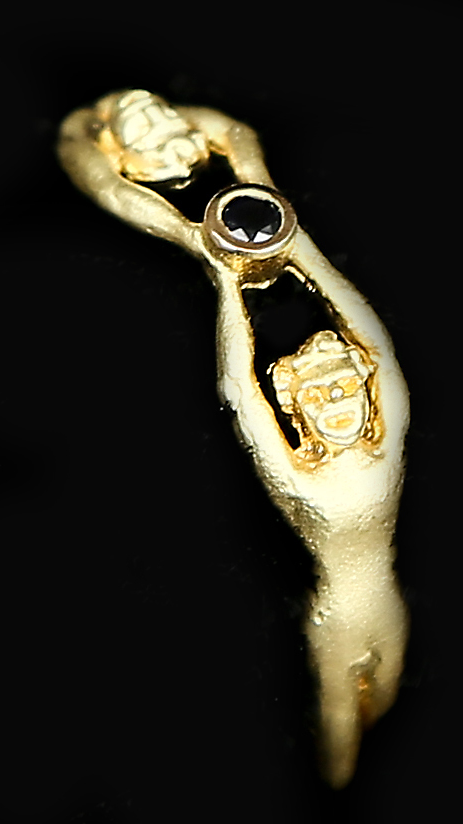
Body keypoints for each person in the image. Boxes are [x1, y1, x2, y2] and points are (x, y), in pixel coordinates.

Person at [58, 89, 411, 788]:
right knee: (340, 741)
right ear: (293, 409)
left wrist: (300, 247)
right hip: (333, 614)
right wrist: (225, 282)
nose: (340, 400)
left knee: (390, 708)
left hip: (389, 599)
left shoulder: (383, 442)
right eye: (319, 395)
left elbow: (372, 345)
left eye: (344, 387)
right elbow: (243, 392)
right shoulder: (301, 472)